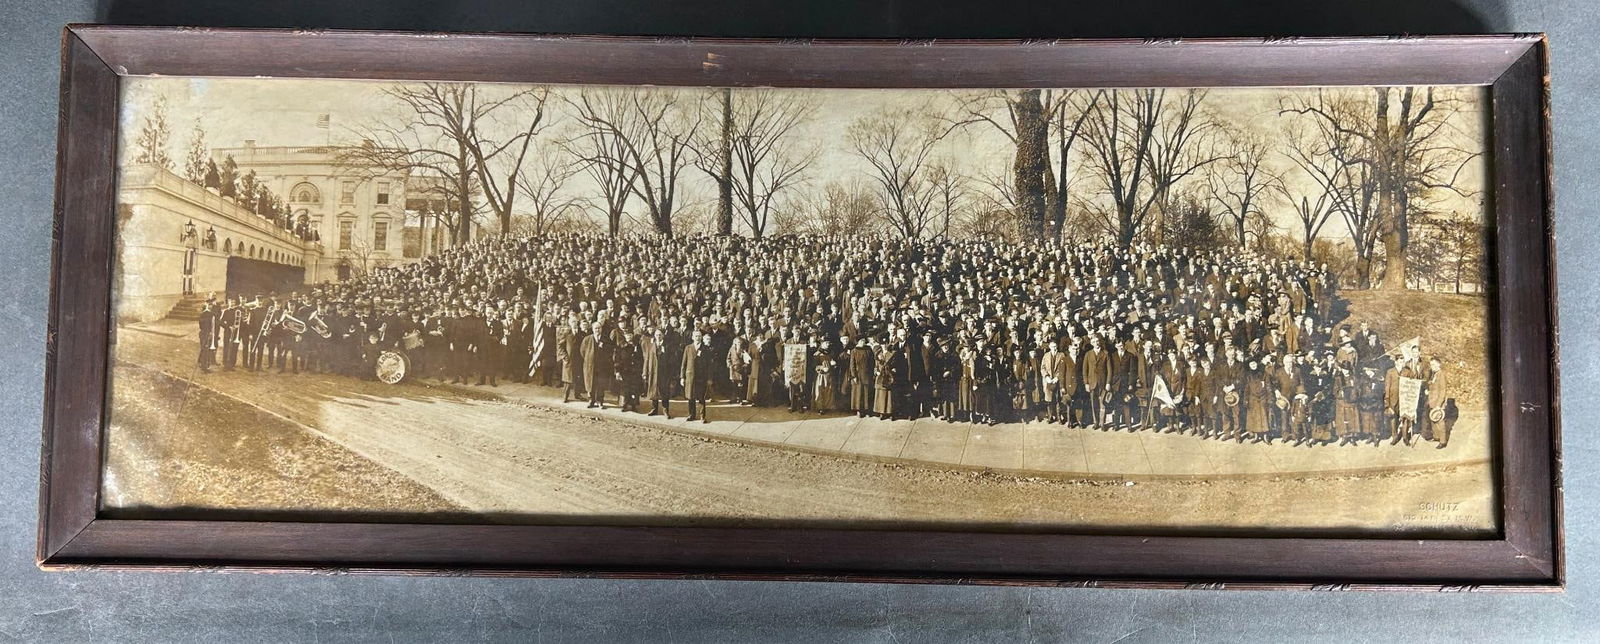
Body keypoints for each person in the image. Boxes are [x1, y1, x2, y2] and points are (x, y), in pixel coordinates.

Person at [681, 330, 713, 423]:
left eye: (699, 336)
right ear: (692, 337)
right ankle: (691, 415)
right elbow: (684, 363)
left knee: (701, 397)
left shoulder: (705, 349)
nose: (697, 338)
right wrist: (682, 377)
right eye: (696, 336)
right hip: (690, 376)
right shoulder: (688, 348)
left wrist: (709, 378)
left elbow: (709, 365)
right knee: (691, 397)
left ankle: (702, 416)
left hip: (701, 377)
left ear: (701, 338)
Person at [196, 300, 218, 372]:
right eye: (209, 305)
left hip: (208, 334)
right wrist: (209, 332)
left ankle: (205, 365)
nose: (211, 306)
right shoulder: (204, 314)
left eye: (211, 305)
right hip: (205, 334)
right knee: (205, 350)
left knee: (207, 350)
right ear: (207, 306)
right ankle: (204, 367)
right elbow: (201, 325)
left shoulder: (212, 314)